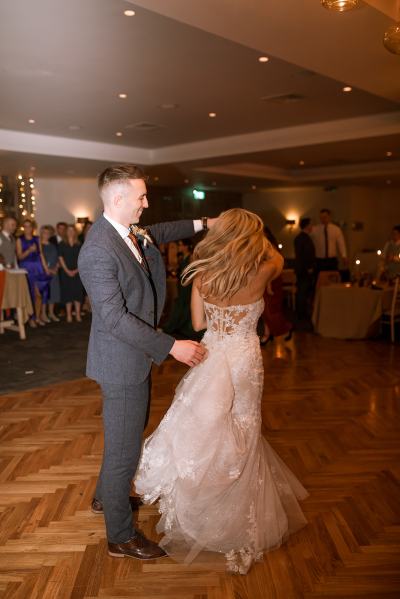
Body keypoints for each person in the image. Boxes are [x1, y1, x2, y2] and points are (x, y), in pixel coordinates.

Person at [135, 208, 309, 575]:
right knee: (244, 430)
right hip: (245, 359)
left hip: (213, 355)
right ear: (251, 238)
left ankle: (203, 508)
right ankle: (235, 511)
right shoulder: (264, 269)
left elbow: (198, 324)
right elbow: (276, 255)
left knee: (207, 431)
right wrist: (254, 233)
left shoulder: (202, 273)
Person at [78, 163, 217, 562]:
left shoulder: (127, 231)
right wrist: (173, 346)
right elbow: (116, 319)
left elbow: (164, 230)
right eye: (140, 197)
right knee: (125, 450)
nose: (146, 203)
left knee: (126, 436)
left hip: (133, 356)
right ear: (118, 199)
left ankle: (108, 497)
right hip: (121, 361)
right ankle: (120, 536)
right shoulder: (97, 251)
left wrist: (206, 221)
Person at [260, 226, 293, 346]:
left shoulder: (269, 246)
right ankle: (267, 333)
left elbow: (272, 266)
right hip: (266, 281)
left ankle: (286, 328)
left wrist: (268, 284)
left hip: (271, 281)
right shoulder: (263, 244)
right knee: (265, 310)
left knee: (270, 310)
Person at [163, 239, 202, 339]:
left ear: (186, 246)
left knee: (184, 304)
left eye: (180, 245)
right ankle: (179, 326)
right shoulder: (182, 257)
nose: (179, 247)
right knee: (182, 303)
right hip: (182, 284)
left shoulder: (192, 257)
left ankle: (181, 327)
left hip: (187, 285)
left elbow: (194, 272)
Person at [16, 219, 51, 327]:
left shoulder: (37, 239)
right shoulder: (19, 240)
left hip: (38, 268)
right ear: (23, 228)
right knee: (31, 294)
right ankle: (31, 318)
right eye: (25, 226)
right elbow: (19, 257)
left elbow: (41, 255)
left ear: (32, 227)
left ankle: (37, 316)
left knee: (39, 295)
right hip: (26, 269)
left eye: (29, 226)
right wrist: (29, 251)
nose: (27, 228)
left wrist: (45, 268)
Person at [58, 225, 84, 322]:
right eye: (69, 230)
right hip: (65, 272)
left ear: (75, 232)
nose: (70, 232)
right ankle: (69, 315)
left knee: (78, 293)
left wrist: (77, 270)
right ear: (66, 232)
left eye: (72, 230)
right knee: (67, 293)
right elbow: (60, 258)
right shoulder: (61, 244)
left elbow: (82, 258)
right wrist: (67, 271)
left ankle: (77, 314)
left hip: (78, 272)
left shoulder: (79, 244)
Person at [311, 208, 347, 273]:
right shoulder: (315, 229)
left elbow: (341, 244)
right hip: (319, 260)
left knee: (332, 279)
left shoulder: (336, 229)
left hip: (331, 260)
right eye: (321, 218)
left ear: (329, 217)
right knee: (319, 279)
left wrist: (344, 256)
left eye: (325, 217)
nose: (323, 219)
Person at [294, 218, 316, 322]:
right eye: (311, 224)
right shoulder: (303, 238)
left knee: (302, 292)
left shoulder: (300, 238)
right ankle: (301, 315)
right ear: (307, 225)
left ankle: (301, 314)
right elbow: (305, 255)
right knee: (302, 292)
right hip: (304, 270)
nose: (313, 226)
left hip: (301, 270)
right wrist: (309, 267)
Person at [40, 225, 61, 322]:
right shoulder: (39, 245)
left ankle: (51, 313)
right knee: (44, 294)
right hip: (43, 272)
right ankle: (43, 314)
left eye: (48, 233)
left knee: (53, 293)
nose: (46, 235)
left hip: (54, 272)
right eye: (44, 232)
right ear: (41, 233)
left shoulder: (53, 246)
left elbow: (57, 258)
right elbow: (38, 260)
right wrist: (48, 270)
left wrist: (56, 267)